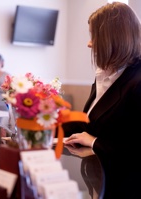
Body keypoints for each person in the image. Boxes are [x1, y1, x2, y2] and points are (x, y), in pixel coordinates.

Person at [63, 2, 141, 198]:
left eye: (93, 36)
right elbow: (90, 123)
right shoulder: (105, 75)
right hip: (100, 179)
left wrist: (96, 142)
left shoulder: (137, 82)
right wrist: (47, 124)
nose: (89, 44)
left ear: (113, 38)